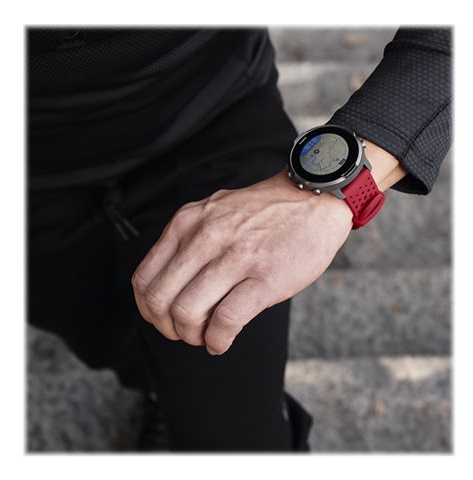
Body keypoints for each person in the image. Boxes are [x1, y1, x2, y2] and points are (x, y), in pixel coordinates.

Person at [27, 27, 451, 452]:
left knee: (236, 432)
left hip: (210, 119)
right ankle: (160, 390)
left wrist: (331, 191)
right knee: (105, 336)